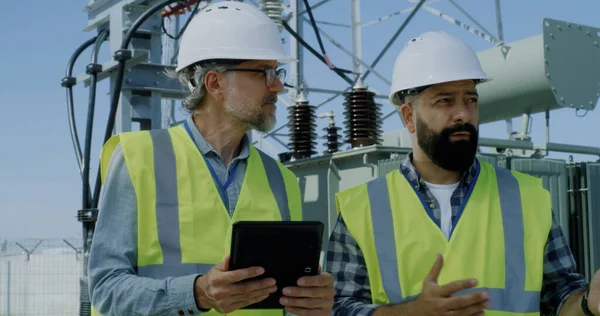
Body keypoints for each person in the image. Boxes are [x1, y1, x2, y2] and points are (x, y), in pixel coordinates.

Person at [326, 31, 600, 315]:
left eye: (470, 100)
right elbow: (335, 308)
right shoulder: (361, 209)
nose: (463, 114)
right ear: (409, 117)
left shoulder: (529, 199)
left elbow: (561, 297)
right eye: (444, 101)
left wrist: (586, 303)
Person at [88, 2, 334, 315]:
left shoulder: (281, 179)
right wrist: (196, 293)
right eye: (264, 73)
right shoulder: (138, 159)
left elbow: (287, 301)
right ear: (215, 83)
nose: (278, 86)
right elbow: (105, 290)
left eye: (277, 72)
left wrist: (313, 302)